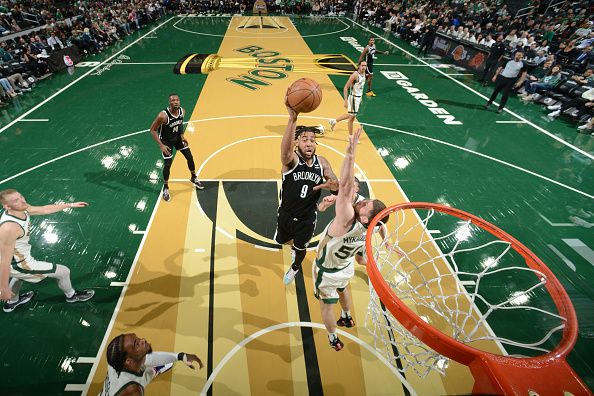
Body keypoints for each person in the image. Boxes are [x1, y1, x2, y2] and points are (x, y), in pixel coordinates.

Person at [313, 128, 388, 351]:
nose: (363, 200)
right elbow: (382, 223)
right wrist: (387, 241)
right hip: (345, 268)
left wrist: (350, 152)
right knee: (344, 288)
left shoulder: (347, 218)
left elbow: (345, 187)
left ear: (364, 216)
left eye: (366, 204)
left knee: (326, 306)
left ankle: (332, 338)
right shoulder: (373, 226)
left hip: (326, 271)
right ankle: (347, 316)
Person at [0, 189, 94, 312]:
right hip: (18, 263)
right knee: (63, 272)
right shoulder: (10, 227)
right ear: (7, 206)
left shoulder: (22, 209)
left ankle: (13, 302)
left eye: (21, 196)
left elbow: (44, 209)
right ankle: (72, 296)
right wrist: (4, 289)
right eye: (16, 200)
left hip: (19, 259)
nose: (23, 200)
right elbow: (4, 262)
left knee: (20, 276)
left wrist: (70, 205)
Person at [277, 104, 338, 285]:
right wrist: (292, 119)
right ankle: (294, 247)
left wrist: (333, 188)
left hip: (307, 218)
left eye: (312, 140)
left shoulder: (323, 163)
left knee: (300, 247)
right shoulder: (292, 160)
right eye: (304, 139)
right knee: (284, 241)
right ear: (297, 142)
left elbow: (336, 185)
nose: (309, 143)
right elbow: (284, 152)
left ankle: (295, 267)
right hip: (286, 214)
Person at [100, 333, 203, 396]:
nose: (143, 340)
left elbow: (148, 358)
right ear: (128, 361)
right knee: (145, 373)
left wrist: (180, 356)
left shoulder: (116, 360)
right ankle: (153, 370)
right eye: (137, 344)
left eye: (137, 338)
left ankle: (154, 370)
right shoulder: (132, 390)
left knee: (146, 367)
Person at [149, 93, 204, 202]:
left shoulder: (182, 111)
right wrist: (161, 145)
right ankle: (165, 187)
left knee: (190, 157)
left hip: (177, 139)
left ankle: (194, 177)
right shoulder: (163, 116)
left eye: (177, 100)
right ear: (169, 103)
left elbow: (180, 124)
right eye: (173, 100)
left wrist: (182, 135)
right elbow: (152, 129)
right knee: (168, 165)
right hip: (166, 142)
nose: (176, 102)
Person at [328, 61, 367, 136]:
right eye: (362, 65)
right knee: (351, 119)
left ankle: (334, 121)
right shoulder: (355, 75)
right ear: (359, 66)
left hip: (358, 98)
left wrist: (360, 97)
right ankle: (351, 137)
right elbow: (345, 88)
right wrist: (345, 101)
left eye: (365, 66)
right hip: (353, 98)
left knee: (351, 115)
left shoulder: (364, 73)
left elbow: (360, 87)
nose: (364, 67)